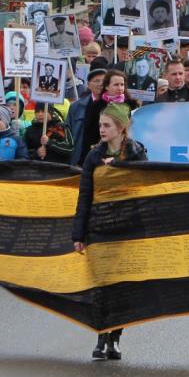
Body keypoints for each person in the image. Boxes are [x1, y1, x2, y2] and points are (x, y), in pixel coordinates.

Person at [73, 105, 147, 361]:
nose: (101, 130)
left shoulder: (137, 154)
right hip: (100, 229)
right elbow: (85, 196)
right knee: (102, 286)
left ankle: (115, 338)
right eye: (100, 125)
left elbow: (145, 189)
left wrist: (117, 166)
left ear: (121, 128)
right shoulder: (93, 156)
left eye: (107, 125)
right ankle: (101, 336)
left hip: (126, 229)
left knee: (121, 287)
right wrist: (78, 234)